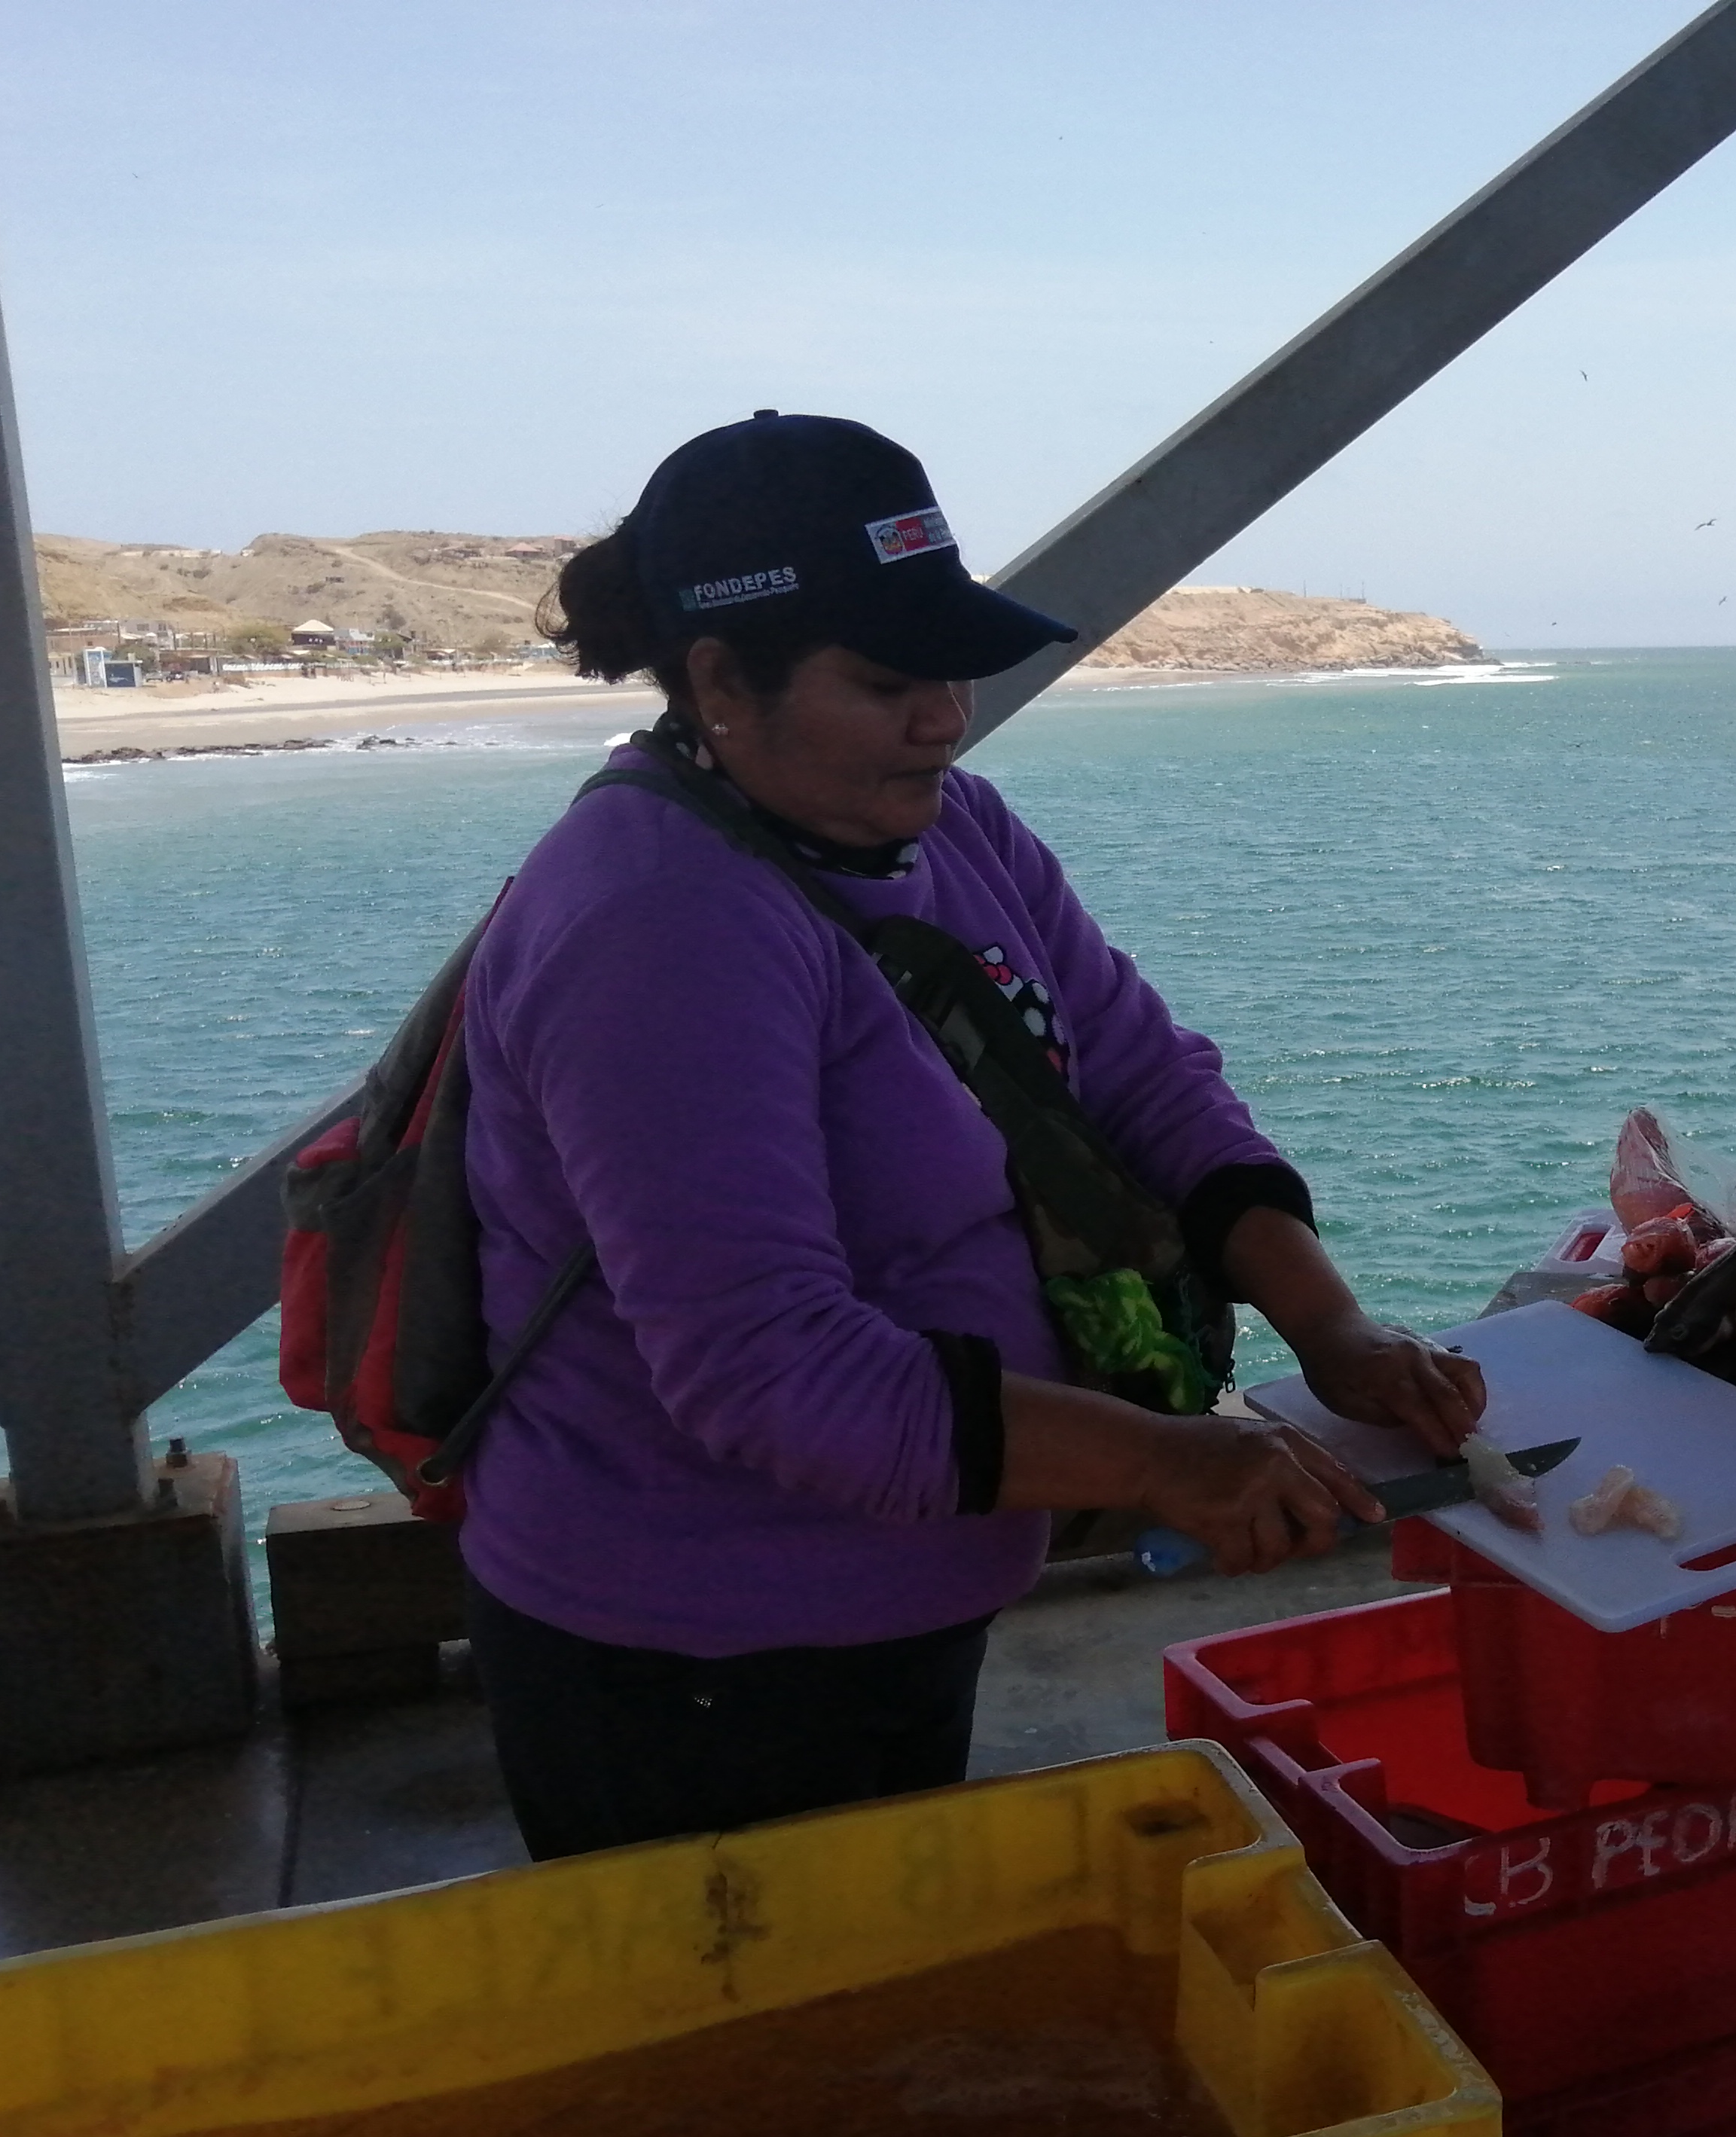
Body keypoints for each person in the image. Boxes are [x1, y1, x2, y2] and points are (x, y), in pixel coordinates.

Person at [459, 411, 1484, 1861]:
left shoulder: (955, 833)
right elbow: (769, 1372)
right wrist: (1169, 1464)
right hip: (692, 1654)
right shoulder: (655, 924)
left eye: (948, 664)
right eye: (884, 680)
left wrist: (1335, 1330)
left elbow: (1145, 1081)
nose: (944, 714)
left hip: (909, 1586)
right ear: (715, 681)